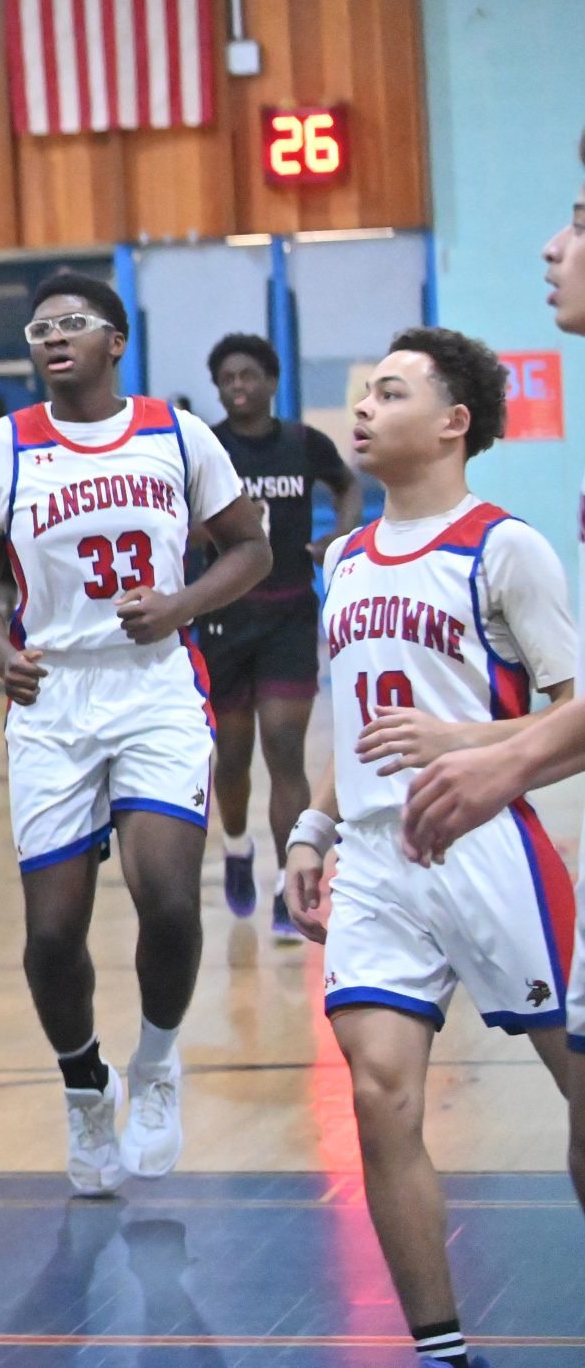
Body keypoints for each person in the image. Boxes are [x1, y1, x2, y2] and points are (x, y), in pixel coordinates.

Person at [0, 270, 270, 1196]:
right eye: (38, 325)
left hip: (155, 686)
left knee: (166, 895)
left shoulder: (177, 433)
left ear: (116, 340)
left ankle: (158, 1063)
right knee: (52, 935)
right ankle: (86, 1084)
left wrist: (179, 605)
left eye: (73, 323)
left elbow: (251, 548)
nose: (53, 336)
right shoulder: (0, 449)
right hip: (51, 700)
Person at [284, 328, 574, 1368]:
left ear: (453, 422)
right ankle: (440, 1350)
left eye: (391, 391)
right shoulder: (340, 558)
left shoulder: (506, 546)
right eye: (363, 391)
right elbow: (353, 713)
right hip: (375, 859)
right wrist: (314, 822)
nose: (362, 408)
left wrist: (462, 740)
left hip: (491, 842)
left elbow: (572, 719)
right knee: (376, 1092)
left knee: (578, 1082)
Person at [404, 139, 585, 1220]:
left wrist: (500, 760)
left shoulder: (503, 547)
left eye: (576, 218)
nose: (550, 245)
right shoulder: (350, 556)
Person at [200, 331, 361, 937]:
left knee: (285, 750)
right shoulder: (206, 447)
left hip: (290, 612)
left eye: (248, 376)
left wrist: (334, 541)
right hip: (224, 617)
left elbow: (347, 485)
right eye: (227, 380)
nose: (238, 387)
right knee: (234, 760)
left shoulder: (302, 443)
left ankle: (283, 886)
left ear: (269, 382)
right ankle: (238, 847)